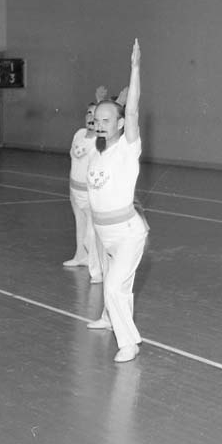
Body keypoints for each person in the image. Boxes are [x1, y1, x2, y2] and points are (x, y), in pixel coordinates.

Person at [85, 39, 147, 363]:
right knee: (119, 288)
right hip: (105, 234)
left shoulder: (126, 148)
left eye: (107, 120)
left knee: (112, 287)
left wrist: (134, 69)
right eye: (97, 119)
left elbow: (132, 110)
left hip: (127, 234)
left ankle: (129, 343)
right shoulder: (98, 153)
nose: (100, 124)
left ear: (121, 125)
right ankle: (109, 318)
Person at [63, 94, 104, 284]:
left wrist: (107, 102)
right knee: (80, 226)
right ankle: (80, 257)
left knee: (91, 234)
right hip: (75, 189)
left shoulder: (100, 141)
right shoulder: (79, 134)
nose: (90, 117)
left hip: (89, 193)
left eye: (95, 115)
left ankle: (97, 271)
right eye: (88, 113)